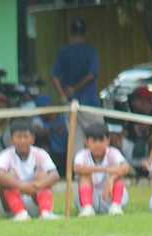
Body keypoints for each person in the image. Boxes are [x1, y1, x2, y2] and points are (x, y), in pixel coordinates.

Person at [0, 118, 62, 220]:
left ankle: (45, 212)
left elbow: (54, 175)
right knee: (6, 178)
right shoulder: (5, 155)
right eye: (18, 137)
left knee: (43, 176)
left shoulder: (40, 153)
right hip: (9, 205)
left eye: (26, 137)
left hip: (34, 199)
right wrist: (22, 187)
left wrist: (38, 185)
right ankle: (20, 213)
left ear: (33, 139)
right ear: (11, 140)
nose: (22, 141)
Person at [51, 17, 100, 152]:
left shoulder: (63, 52)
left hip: (70, 104)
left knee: (76, 142)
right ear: (86, 33)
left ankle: (77, 166)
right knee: (98, 138)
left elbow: (54, 77)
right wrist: (75, 88)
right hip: (89, 103)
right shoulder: (91, 51)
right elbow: (91, 74)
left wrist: (64, 97)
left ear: (70, 33)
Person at [73, 122, 130, 217]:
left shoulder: (113, 153)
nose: (98, 145)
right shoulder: (82, 154)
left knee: (119, 176)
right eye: (94, 141)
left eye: (101, 141)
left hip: (109, 195)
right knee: (84, 176)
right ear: (86, 142)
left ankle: (116, 206)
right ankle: (87, 208)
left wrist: (112, 178)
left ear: (108, 141)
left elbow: (125, 168)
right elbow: (77, 168)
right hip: (90, 197)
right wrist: (104, 169)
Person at [114, 85, 152, 172]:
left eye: (135, 100)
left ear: (144, 100)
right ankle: (125, 168)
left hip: (151, 151)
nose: (132, 103)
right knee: (113, 136)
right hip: (134, 149)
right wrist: (114, 135)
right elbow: (125, 133)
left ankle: (150, 168)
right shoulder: (134, 114)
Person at [31, 93, 68, 176]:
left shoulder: (64, 118)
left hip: (67, 153)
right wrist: (52, 130)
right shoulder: (39, 120)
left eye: (43, 107)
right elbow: (35, 131)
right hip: (53, 155)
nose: (41, 111)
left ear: (51, 105)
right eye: (39, 109)